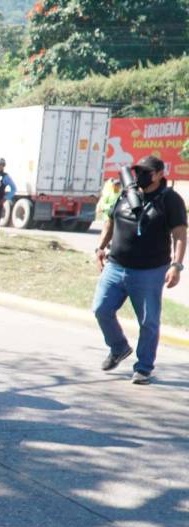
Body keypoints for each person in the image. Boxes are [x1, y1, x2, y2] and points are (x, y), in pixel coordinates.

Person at [93, 155, 187, 385]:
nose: (140, 175)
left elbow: (180, 234)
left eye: (147, 172)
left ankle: (143, 367)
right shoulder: (126, 193)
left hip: (150, 270)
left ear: (159, 174)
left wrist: (176, 265)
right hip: (115, 265)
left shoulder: (170, 200)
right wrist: (100, 247)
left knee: (148, 321)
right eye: (139, 171)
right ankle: (119, 348)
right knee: (101, 309)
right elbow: (110, 222)